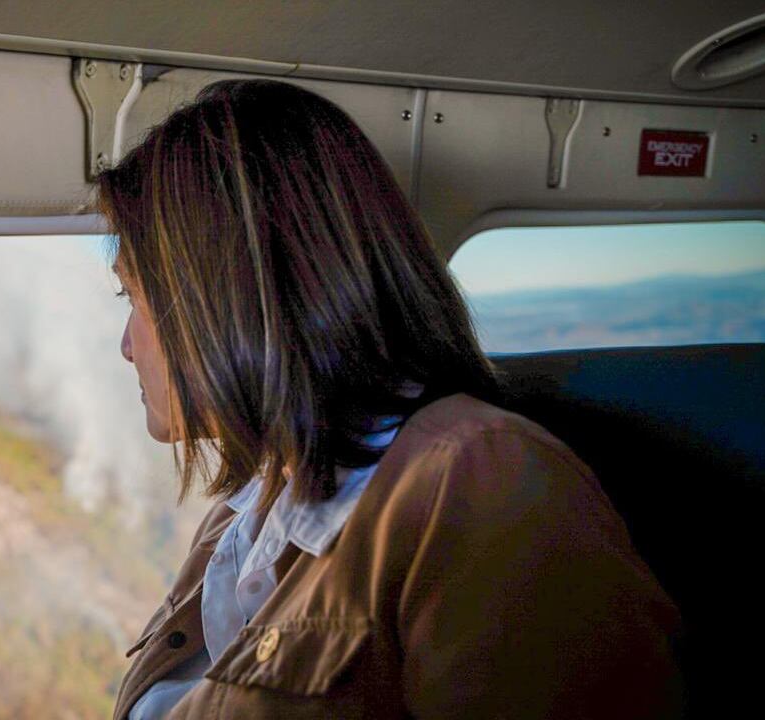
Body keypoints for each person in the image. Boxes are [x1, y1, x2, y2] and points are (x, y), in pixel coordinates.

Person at [92, 79, 682, 719]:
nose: (127, 346)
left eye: (135, 297)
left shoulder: (478, 485)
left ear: (224, 299)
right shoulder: (248, 513)